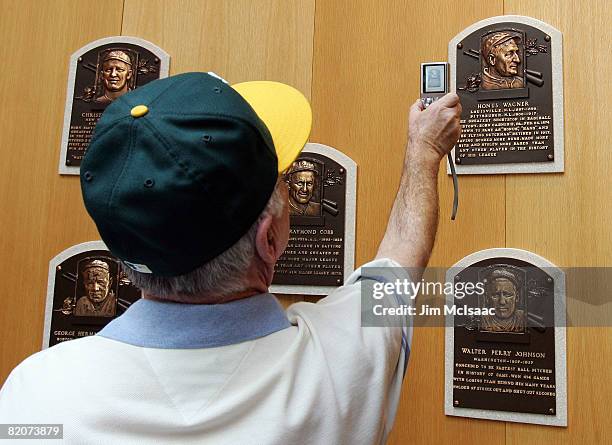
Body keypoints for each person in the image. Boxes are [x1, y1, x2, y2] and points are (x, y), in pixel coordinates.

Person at [0, 72, 461, 444]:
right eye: (282, 179)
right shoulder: (339, 366)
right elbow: (402, 256)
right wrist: (424, 151)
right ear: (269, 239)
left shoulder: (35, 399)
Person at [480, 268, 526, 333]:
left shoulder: (524, 319)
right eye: (495, 295)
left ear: (517, 297)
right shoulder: (480, 320)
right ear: (487, 297)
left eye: (507, 295)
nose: (502, 302)